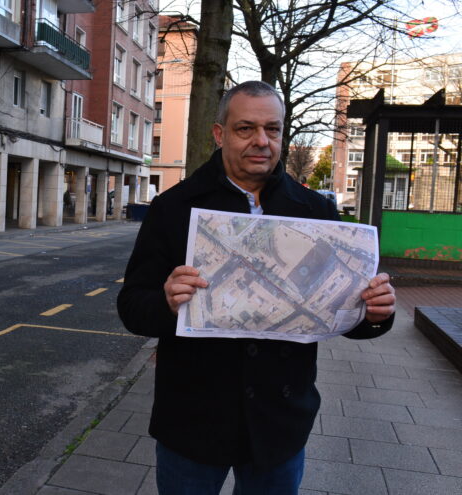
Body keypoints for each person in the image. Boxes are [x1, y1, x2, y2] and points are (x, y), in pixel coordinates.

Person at [117, 81, 396, 495]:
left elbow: (341, 312)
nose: (261, 141)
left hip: (279, 423)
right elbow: (132, 307)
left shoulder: (316, 211)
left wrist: (375, 314)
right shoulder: (173, 208)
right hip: (193, 420)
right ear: (220, 134)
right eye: (246, 128)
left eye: (273, 129)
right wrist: (166, 301)